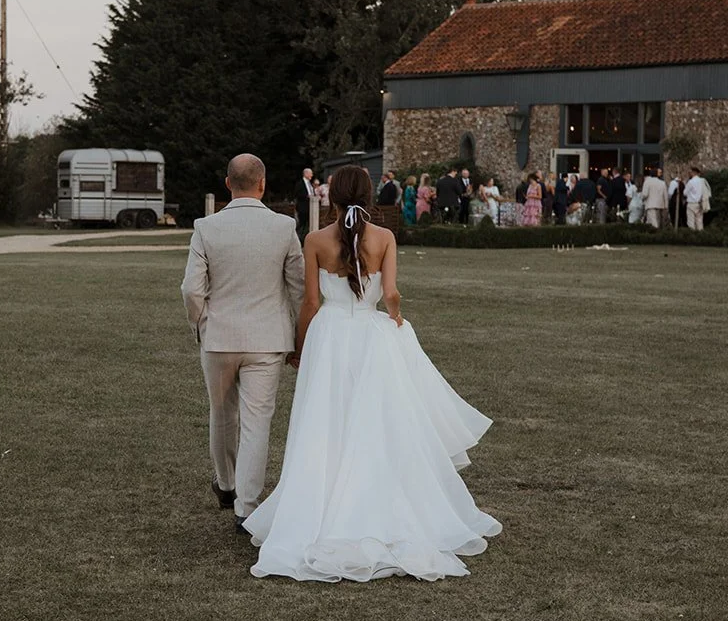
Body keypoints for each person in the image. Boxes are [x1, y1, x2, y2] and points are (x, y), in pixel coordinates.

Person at [245, 164, 501, 583]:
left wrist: (300, 345)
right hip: (369, 336)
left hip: (329, 337)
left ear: (332, 196)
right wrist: (395, 318)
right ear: (368, 195)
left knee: (326, 423)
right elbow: (392, 294)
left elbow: (310, 302)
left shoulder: (314, 239)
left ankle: (319, 510)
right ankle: (377, 506)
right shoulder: (385, 238)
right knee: (377, 424)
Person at [182, 154, 305, 530]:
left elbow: (191, 289)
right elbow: (299, 288)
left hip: (219, 336)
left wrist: (201, 323)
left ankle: (226, 484)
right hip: (267, 340)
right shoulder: (284, 227)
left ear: (227, 184)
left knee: (222, 413)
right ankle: (247, 508)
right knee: (257, 423)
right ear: (262, 183)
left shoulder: (205, 226)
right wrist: (299, 338)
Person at [684, 166, 711, 230]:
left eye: (690, 172)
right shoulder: (702, 181)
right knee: (699, 222)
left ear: (693, 173)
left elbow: (685, 192)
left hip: (691, 203)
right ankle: (700, 236)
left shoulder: (691, 182)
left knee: (691, 222)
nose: (689, 174)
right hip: (700, 203)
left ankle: (692, 236)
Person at [294, 166, 316, 240]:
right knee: (302, 225)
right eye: (311, 173)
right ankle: (298, 239)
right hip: (302, 208)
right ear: (306, 174)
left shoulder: (310, 184)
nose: (312, 175)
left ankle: (305, 239)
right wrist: (307, 196)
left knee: (308, 225)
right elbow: (297, 194)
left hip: (311, 207)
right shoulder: (300, 183)